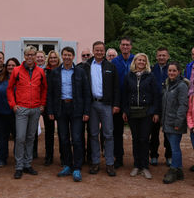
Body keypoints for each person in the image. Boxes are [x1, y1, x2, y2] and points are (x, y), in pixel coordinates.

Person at [47, 47, 90, 182]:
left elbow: (86, 93)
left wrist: (86, 111)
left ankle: (77, 167)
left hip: (76, 108)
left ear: (73, 56)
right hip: (61, 108)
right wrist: (51, 110)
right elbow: (50, 94)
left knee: (77, 138)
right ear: (62, 56)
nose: (66, 57)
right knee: (63, 138)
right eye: (64, 55)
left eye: (69, 55)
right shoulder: (55, 72)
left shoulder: (80, 72)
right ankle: (67, 165)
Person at [7, 45, 47, 179]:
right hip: (22, 109)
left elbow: (44, 89)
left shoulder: (40, 72)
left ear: (36, 56)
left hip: (35, 109)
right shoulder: (17, 70)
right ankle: (19, 166)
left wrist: (42, 104)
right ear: (24, 56)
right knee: (20, 138)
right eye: (28, 55)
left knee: (31, 138)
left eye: (32, 55)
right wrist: (13, 104)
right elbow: (9, 88)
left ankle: (27, 164)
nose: (30, 57)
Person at [82, 41, 120, 177]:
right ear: (93, 51)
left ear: (104, 52)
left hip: (106, 105)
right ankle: (95, 162)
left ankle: (109, 163)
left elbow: (116, 87)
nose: (99, 52)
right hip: (92, 104)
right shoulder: (86, 66)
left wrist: (116, 104)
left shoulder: (111, 66)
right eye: (96, 50)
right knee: (93, 134)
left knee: (108, 134)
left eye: (101, 50)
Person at [122, 53, 159, 179]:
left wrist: (155, 112)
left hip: (147, 112)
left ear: (146, 62)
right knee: (135, 139)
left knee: (144, 139)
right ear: (135, 61)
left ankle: (145, 166)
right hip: (132, 112)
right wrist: (125, 111)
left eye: (144, 60)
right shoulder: (129, 76)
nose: (141, 62)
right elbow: (125, 95)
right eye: (139, 60)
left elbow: (156, 95)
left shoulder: (151, 76)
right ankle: (136, 165)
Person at [161, 61, 189, 184]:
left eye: (174, 71)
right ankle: (179, 171)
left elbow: (183, 105)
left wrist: (178, 122)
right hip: (167, 121)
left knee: (174, 148)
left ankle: (174, 170)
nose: (171, 73)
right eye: (170, 70)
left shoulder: (182, 85)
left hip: (175, 122)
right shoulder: (168, 84)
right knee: (173, 147)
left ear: (179, 72)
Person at [111, 36, 135, 168]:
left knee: (137, 133)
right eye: (123, 45)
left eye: (127, 45)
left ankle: (139, 160)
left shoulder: (136, 60)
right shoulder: (114, 61)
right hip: (118, 101)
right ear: (120, 46)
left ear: (131, 47)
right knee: (117, 132)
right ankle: (118, 158)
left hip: (134, 102)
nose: (125, 47)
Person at [0, 58, 20, 167]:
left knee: (18, 137)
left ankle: (18, 158)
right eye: (9, 65)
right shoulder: (0, 79)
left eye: (13, 65)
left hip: (16, 114)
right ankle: (2, 158)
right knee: (3, 138)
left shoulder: (21, 79)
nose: (11, 67)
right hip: (1, 114)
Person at [150, 47, 172, 166]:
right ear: (156, 56)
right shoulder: (152, 69)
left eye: (164, 55)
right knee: (153, 134)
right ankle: (153, 155)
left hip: (168, 107)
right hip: (155, 106)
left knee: (168, 133)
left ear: (168, 57)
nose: (161, 57)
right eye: (159, 55)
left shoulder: (172, 69)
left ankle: (169, 156)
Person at [42, 50, 61, 166]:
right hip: (48, 106)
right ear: (48, 59)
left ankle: (63, 156)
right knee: (48, 133)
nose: (53, 60)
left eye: (55, 58)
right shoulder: (44, 72)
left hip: (60, 106)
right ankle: (48, 156)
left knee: (62, 133)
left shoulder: (62, 71)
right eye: (51, 58)